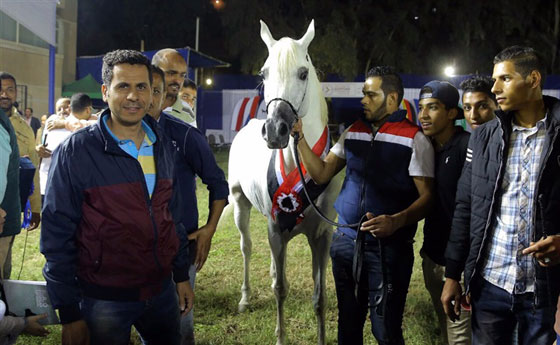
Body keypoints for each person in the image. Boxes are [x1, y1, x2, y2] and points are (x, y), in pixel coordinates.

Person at [41, 49, 193, 345]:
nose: (133, 96)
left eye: (141, 87)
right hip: (103, 299)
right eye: (123, 86)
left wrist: (180, 275)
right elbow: (57, 234)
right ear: (105, 91)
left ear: (152, 94)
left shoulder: (161, 144)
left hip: (161, 292)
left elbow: (171, 216)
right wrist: (70, 313)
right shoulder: (76, 152)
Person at [292, 66, 434, 345]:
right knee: (347, 326)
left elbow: (428, 198)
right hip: (345, 243)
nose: (363, 100)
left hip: (388, 250)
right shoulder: (353, 132)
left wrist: (397, 221)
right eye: (363, 94)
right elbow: (321, 174)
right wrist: (299, 139)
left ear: (392, 99)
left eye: (371, 94)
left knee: (386, 330)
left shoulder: (414, 138)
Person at [441, 46, 560, 345]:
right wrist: (453, 274)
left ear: (533, 79)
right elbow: (466, 207)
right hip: (490, 283)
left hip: (543, 289)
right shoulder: (484, 136)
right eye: (495, 80)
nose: (495, 88)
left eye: (504, 79)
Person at [148, 65, 228, 345]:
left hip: (178, 248)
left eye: (154, 90)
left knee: (179, 326)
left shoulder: (183, 135)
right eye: (144, 88)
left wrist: (208, 229)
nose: (146, 97)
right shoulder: (110, 138)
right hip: (127, 251)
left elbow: (219, 184)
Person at [418, 81, 471, 345]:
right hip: (432, 258)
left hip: (458, 267)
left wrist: (456, 270)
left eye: (433, 108)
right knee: (445, 333)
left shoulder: (466, 147)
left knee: (460, 339)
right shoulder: (426, 150)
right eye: (421, 108)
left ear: (452, 113)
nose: (423, 115)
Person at [0, 72, 40, 280]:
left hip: (12, 207)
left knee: (5, 267)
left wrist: (34, 208)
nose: (4, 94)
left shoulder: (24, 127)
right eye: (0, 89)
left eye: (9, 89)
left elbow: (32, 167)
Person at [38, 93, 94, 204]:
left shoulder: (78, 123)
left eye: (66, 107)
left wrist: (64, 123)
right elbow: (41, 143)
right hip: (47, 178)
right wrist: (38, 148)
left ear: (71, 108)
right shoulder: (52, 121)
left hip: (70, 182)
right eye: (59, 109)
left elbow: (91, 124)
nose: (62, 111)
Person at [152, 49, 196, 125]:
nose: (178, 81)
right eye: (171, 73)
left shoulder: (187, 112)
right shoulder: (139, 103)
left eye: (182, 75)